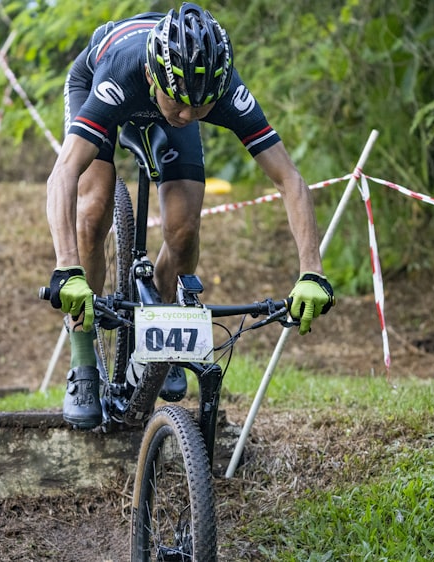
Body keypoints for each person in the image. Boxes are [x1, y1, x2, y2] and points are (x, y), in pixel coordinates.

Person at [45, 3, 335, 429]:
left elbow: (288, 178)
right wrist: (66, 267)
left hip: (176, 87)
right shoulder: (123, 75)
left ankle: (164, 328)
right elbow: (63, 173)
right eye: (180, 104)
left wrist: (312, 271)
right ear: (153, 76)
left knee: (182, 231)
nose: (188, 116)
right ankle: (83, 361)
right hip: (97, 77)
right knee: (92, 211)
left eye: (200, 109)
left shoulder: (211, 89)